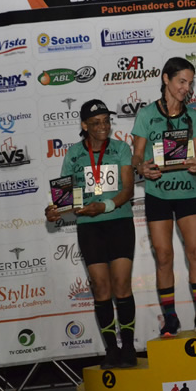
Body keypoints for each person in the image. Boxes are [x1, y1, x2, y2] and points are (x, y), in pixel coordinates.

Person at [45, 99, 137, 369]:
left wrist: (104, 206)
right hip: (89, 226)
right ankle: (111, 350)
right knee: (100, 287)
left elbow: (128, 190)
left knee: (121, 285)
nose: (103, 127)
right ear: (84, 126)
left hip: (119, 222)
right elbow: (65, 199)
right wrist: (54, 211)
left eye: (106, 121)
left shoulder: (121, 148)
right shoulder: (73, 154)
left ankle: (129, 347)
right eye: (96, 123)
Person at [131, 57, 196, 337]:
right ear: (166, 79)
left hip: (188, 193)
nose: (186, 88)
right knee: (164, 256)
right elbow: (136, 156)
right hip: (158, 195)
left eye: (190, 83)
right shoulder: (146, 114)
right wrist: (141, 168)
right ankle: (170, 318)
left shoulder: (193, 116)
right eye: (181, 81)